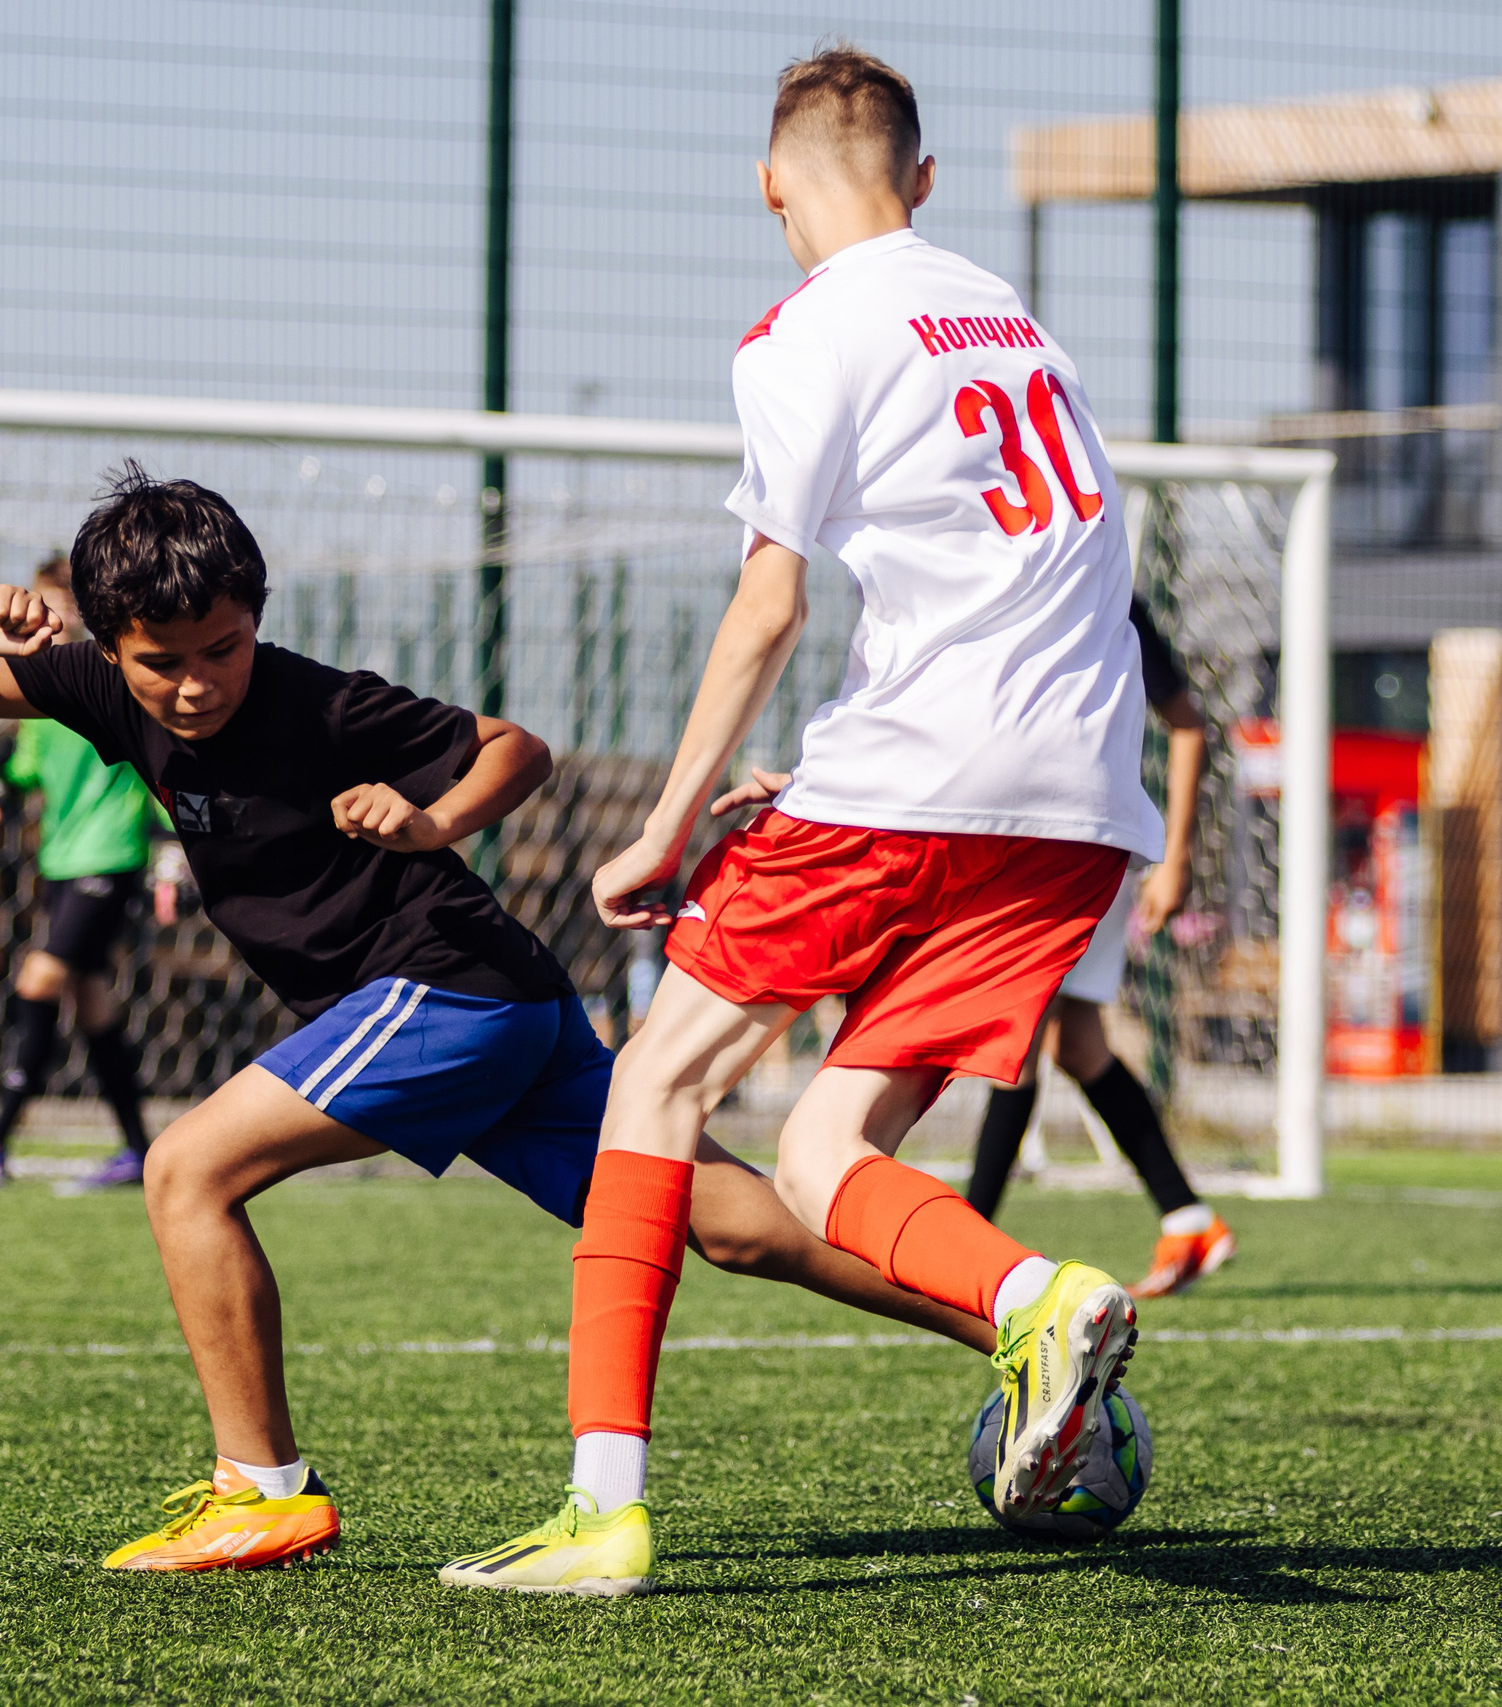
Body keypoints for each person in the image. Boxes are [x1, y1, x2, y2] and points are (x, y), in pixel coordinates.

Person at [0, 468, 996, 1576]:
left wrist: (430, 820)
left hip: (442, 991)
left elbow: (519, 748)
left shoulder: (317, 701)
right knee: (734, 1224)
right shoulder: (104, 690)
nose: (197, 685)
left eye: (222, 649)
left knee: (185, 1173)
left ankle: (260, 1492)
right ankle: (1016, 1333)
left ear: (254, 619)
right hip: (506, 1004)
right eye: (162, 664)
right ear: (112, 647)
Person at [443, 46, 1157, 1598]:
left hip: (908, 778)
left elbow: (770, 602)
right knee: (826, 1153)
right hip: (1082, 799)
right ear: (923, 178)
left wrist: (667, 821)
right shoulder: (1024, 325)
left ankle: (602, 1507)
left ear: (772, 184)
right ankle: (1036, 1288)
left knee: (657, 1076)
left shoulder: (804, 332)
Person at [965, 595, 1237, 1297]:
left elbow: (1185, 724)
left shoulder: (1104, 599)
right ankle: (1188, 1216)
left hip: (1072, 848)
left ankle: (963, 1248)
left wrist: (1176, 859)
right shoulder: (1042, 590)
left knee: (1013, 1040)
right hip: (1070, 843)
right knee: (1077, 1042)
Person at [0, 553, 169, 1194]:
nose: (58, 617)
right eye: (48, 603)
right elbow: (22, 772)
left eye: (71, 604)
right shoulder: (42, 694)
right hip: (61, 862)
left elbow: (161, 770)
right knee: (90, 1003)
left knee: (40, 976)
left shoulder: (117, 686)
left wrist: (170, 855)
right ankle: (139, 1149)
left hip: (110, 859)